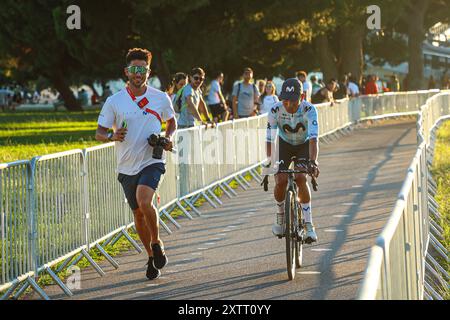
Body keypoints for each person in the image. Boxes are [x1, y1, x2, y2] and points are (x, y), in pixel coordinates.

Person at [95, 48, 177, 280]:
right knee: (138, 215)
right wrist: (112, 136)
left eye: (142, 69)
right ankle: (151, 256)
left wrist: (168, 137)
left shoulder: (161, 97)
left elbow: (172, 122)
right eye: (134, 69)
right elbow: (99, 132)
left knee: (144, 200)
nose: (138, 73)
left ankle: (157, 241)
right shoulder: (114, 101)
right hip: (126, 165)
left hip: (152, 159)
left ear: (148, 72)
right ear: (126, 72)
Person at [265, 78, 320, 242]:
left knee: (301, 177)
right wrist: (270, 162)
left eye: (293, 100)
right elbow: (270, 140)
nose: (288, 104)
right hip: (284, 144)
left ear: (302, 97)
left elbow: (313, 139)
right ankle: (281, 216)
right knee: (280, 179)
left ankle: (309, 224)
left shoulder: (310, 109)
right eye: (285, 100)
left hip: (304, 144)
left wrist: (313, 161)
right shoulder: (275, 110)